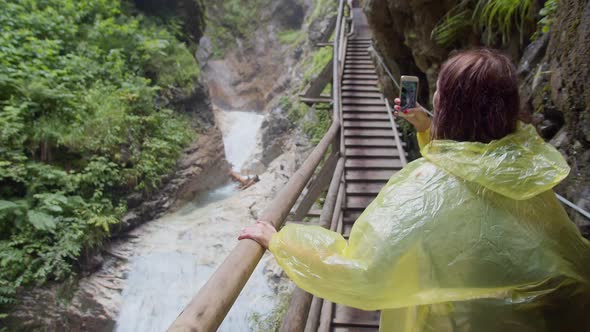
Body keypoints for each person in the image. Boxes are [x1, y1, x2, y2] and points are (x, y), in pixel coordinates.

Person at [239, 49, 590, 331]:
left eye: (440, 91)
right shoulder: (523, 171)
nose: (433, 94)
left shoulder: (425, 187)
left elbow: (361, 268)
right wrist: (427, 127)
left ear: (449, 106)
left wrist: (279, 242)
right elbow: (471, 163)